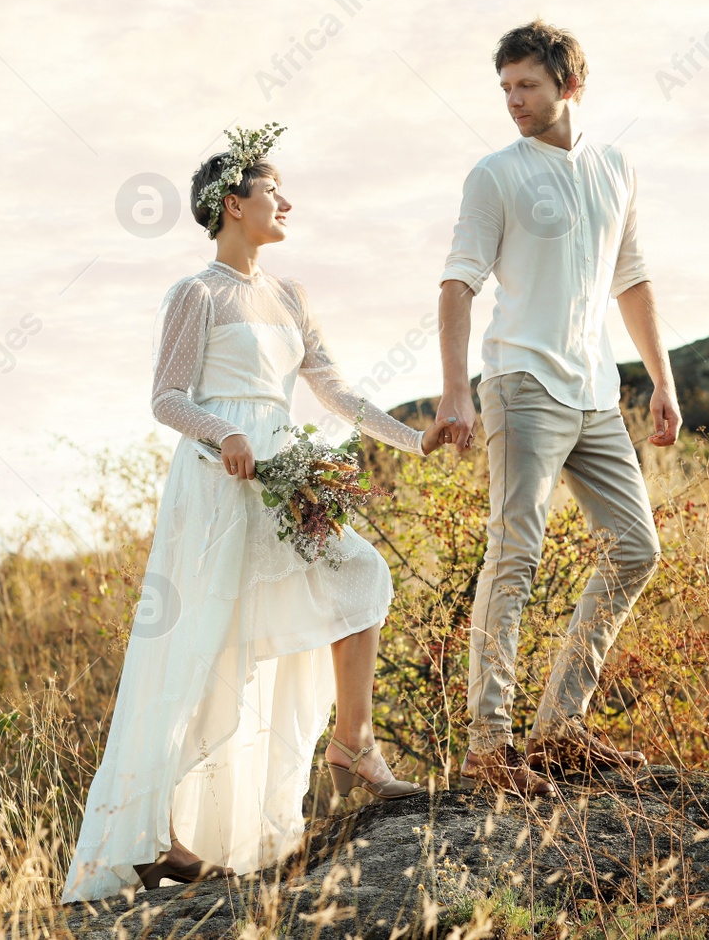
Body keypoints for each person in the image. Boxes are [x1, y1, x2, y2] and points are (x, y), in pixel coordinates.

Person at [61, 124, 446, 902]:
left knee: (360, 573)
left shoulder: (289, 294)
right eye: (275, 192)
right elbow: (167, 397)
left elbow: (333, 389)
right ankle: (158, 837)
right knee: (205, 645)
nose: (288, 203)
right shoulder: (195, 294)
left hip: (283, 476)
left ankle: (354, 744)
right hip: (218, 483)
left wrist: (415, 438)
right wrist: (226, 429)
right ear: (235, 204)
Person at [434, 20, 680, 797]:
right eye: (504, 87)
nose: (513, 100)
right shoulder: (494, 175)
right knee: (515, 558)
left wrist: (662, 381)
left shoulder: (616, 166)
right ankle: (489, 746)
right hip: (521, 386)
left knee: (636, 548)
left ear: (570, 85)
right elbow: (457, 283)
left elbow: (631, 278)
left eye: (527, 85)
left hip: (596, 391)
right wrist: (453, 390)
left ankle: (560, 730)